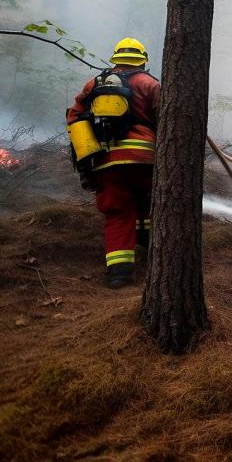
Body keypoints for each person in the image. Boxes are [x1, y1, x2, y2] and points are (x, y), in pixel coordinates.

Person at [66, 38, 159, 288]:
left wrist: (86, 158)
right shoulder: (150, 84)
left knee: (118, 213)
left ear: (115, 59)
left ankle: (119, 273)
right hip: (145, 161)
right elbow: (166, 120)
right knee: (147, 202)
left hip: (108, 162)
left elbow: (74, 117)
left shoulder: (94, 84)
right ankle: (149, 245)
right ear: (143, 60)